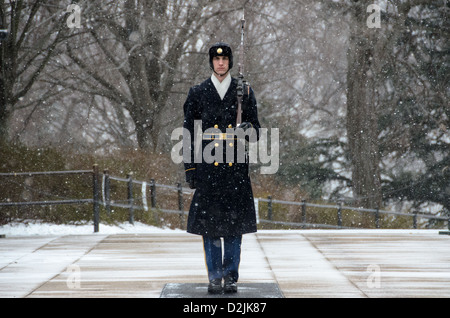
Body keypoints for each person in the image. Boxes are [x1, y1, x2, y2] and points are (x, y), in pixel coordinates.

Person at [183, 42, 261, 294]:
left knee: (234, 228)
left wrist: (245, 129)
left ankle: (230, 277)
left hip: (235, 170)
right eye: (217, 59)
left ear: (230, 61)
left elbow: (256, 131)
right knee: (211, 228)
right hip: (208, 169)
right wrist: (190, 168)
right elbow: (188, 133)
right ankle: (215, 276)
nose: (221, 63)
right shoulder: (198, 92)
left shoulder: (244, 92)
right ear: (211, 62)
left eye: (225, 59)